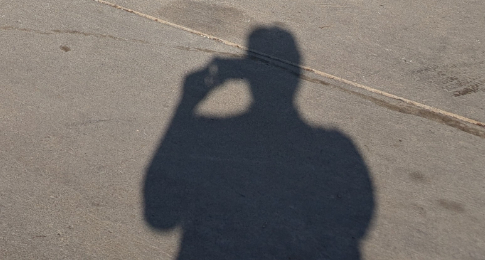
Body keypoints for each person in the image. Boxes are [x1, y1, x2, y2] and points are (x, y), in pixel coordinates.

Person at [143, 26, 374, 259]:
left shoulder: (211, 137)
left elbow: (160, 218)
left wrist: (186, 104)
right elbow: (355, 225)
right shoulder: (337, 148)